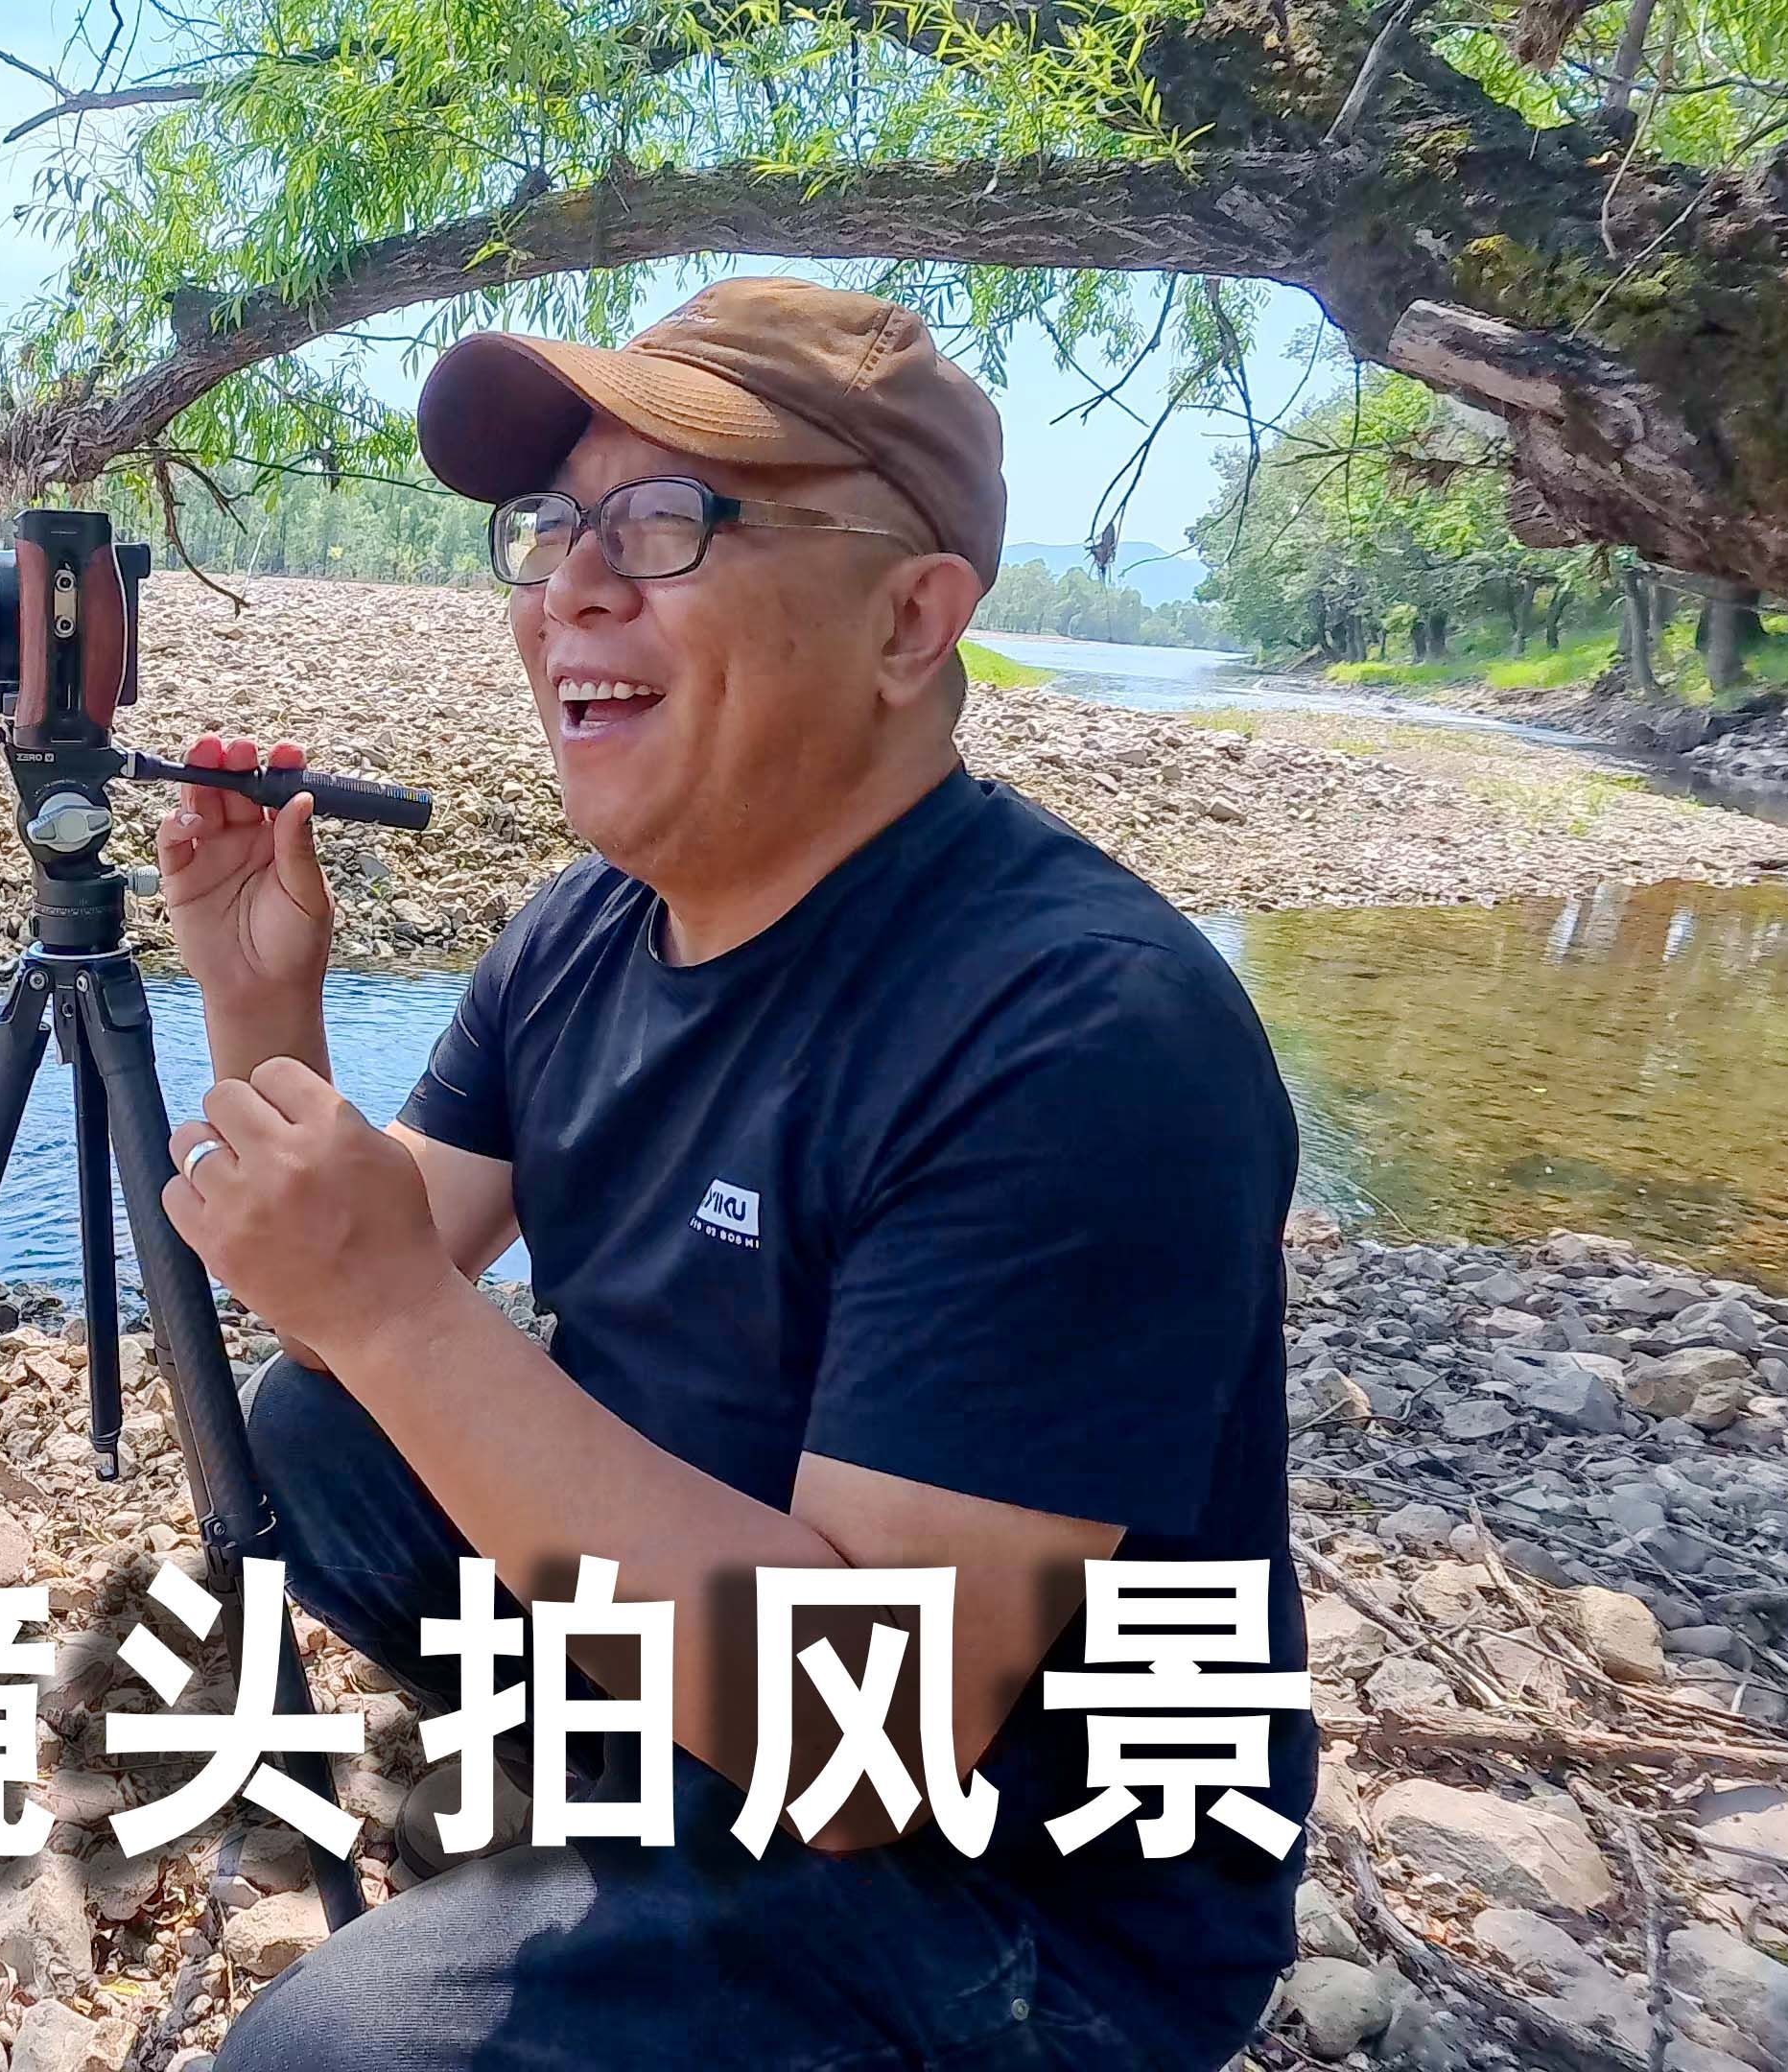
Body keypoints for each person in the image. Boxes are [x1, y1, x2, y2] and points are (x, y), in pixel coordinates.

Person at [147, 277, 1310, 2070]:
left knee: (330, 2057)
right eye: (552, 527)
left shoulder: (1081, 1034)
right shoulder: (583, 935)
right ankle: (650, 1834)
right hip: (740, 1690)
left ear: (913, 620)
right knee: (324, 1431)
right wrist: (259, 997)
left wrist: (388, 1306)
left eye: (670, 522)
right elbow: (358, 1271)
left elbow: (880, 1738)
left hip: (1016, 1888)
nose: (573, 590)